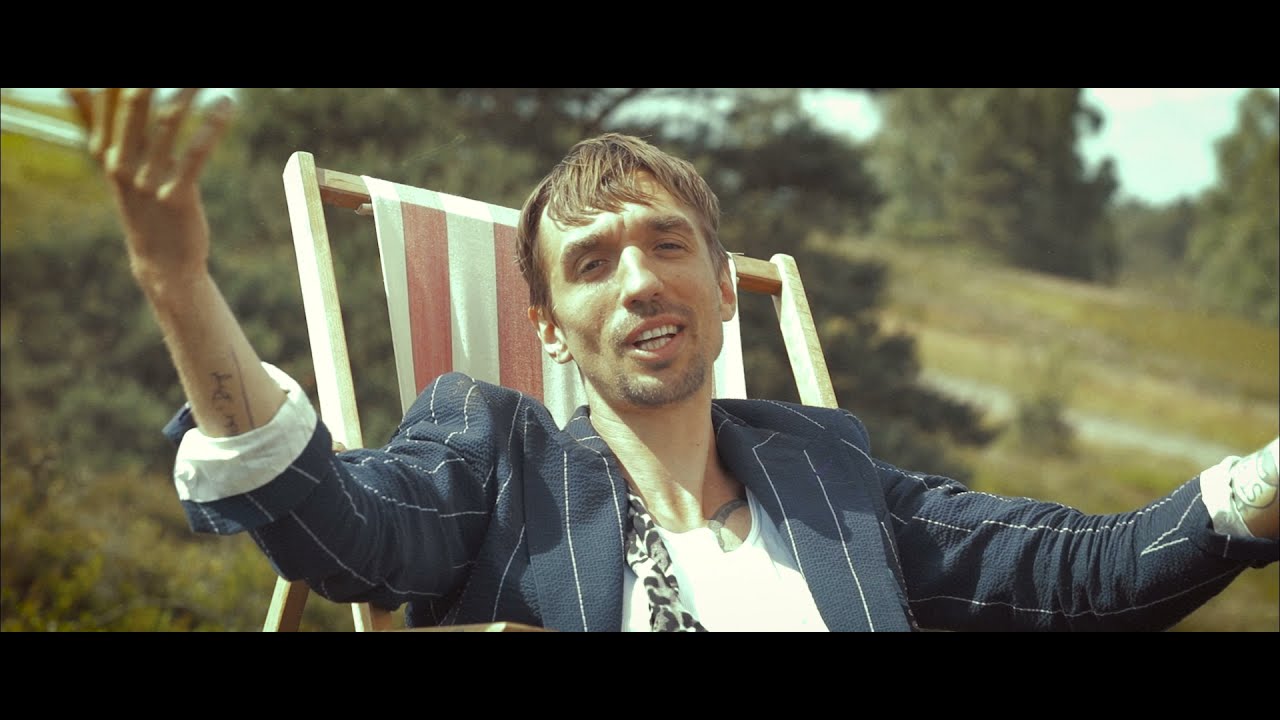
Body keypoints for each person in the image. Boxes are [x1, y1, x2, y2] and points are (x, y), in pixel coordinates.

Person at [67, 87, 1279, 632]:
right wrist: (177, 286)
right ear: (549, 327)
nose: (640, 279)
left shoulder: (829, 477)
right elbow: (339, 531)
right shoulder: (495, 466)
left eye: (665, 245)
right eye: (591, 263)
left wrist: (1257, 483)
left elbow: (1082, 575)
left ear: (717, 286)